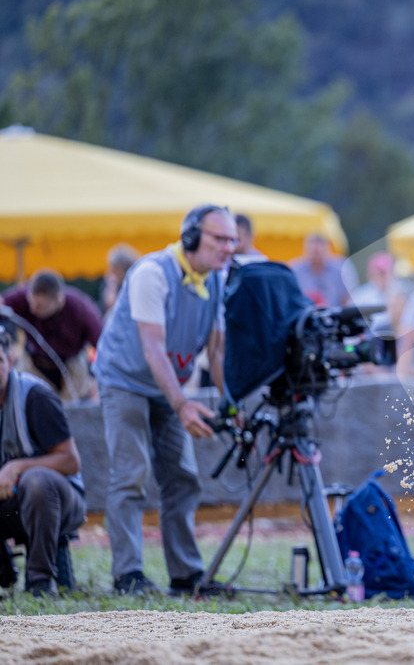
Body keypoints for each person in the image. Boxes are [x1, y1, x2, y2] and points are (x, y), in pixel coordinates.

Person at [92, 204, 237, 596]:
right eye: (219, 239)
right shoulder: (151, 273)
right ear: (191, 236)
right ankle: (128, 576)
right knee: (131, 473)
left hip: (167, 388)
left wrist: (231, 403)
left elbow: (217, 350)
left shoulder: (218, 280)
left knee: (183, 477)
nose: (228, 248)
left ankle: (187, 575)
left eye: (232, 240)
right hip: (125, 381)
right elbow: (153, 349)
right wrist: (183, 404)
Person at [0, 330, 86, 597]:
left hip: (57, 502)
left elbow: (71, 462)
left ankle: (40, 581)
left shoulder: (35, 396)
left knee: (37, 480)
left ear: (10, 361)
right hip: (7, 507)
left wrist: (16, 468)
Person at [0, 269, 104, 401]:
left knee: (72, 410)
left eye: (40, 306)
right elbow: (2, 304)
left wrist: (97, 378)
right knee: (27, 399)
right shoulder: (23, 298)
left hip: (71, 366)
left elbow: (102, 345)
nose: (32, 309)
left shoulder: (82, 310)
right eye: (31, 302)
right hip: (34, 363)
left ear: (59, 300)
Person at [289, 232, 359, 307]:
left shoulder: (341, 268)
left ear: (327, 249)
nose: (316, 256)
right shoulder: (296, 269)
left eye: (318, 252)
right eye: (313, 252)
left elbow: (348, 298)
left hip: (335, 315)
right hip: (305, 315)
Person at [101, 244, 141, 314]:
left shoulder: (135, 284)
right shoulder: (113, 283)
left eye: (114, 269)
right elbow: (109, 304)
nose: (111, 272)